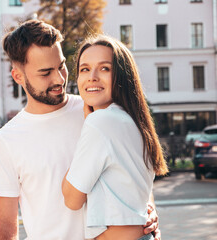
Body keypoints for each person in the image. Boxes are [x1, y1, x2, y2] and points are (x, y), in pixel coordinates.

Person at [0, 19, 161, 240]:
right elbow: (5, 227)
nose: (59, 79)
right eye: (45, 72)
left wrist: (148, 210)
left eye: (61, 66)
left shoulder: (96, 108)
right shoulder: (6, 140)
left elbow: (131, 170)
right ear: (18, 76)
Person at [62, 35, 169, 240]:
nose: (92, 76)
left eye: (104, 68)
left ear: (122, 76)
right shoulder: (135, 121)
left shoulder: (100, 122)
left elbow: (71, 199)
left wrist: (88, 124)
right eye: (84, 69)